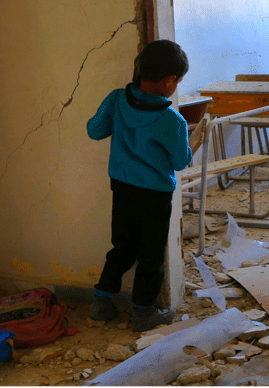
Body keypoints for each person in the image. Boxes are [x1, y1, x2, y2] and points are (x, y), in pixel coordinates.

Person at [86, 39, 203, 331]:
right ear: (170, 81)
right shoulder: (171, 120)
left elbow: (94, 130)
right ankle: (143, 312)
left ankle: (102, 302)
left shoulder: (116, 99)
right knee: (151, 254)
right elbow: (180, 162)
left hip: (122, 187)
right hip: (155, 195)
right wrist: (193, 143)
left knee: (122, 247)